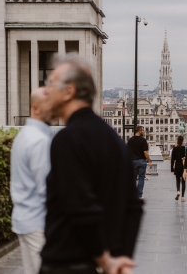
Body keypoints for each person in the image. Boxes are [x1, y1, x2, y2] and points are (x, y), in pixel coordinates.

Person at [40, 56, 143, 274]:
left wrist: (105, 261)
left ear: (69, 91)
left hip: (67, 265)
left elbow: (80, 209)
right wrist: (121, 259)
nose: (45, 90)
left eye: (50, 83)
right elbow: (133, 207)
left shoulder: (67, 139)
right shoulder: (114, 140)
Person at [10, 87, 53, 274]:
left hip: (23, 218)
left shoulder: (23, 136)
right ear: (36, 108)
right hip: (38, 222)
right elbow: (46, 187)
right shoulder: (39, 140)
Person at [127, 126, 153, 199]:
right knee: (141, 177)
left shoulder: (130, 140)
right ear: (139, 131)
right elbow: (145, 152)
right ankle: (139, 195)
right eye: (143, 130)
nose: (144, 131)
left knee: (133, 178)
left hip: (133, 161)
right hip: (141, 161)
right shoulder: (143, 140)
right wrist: (149, 161)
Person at [171, 136, 186, 202]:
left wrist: (171, 168)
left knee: (177, 180)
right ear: (183, 141)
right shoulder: (184, 149)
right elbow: (186, 159)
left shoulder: (174, 149)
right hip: (183, 167)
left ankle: (178, 192)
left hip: (177, 166)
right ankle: (182, 197)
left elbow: (172, 159)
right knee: (183, 181)